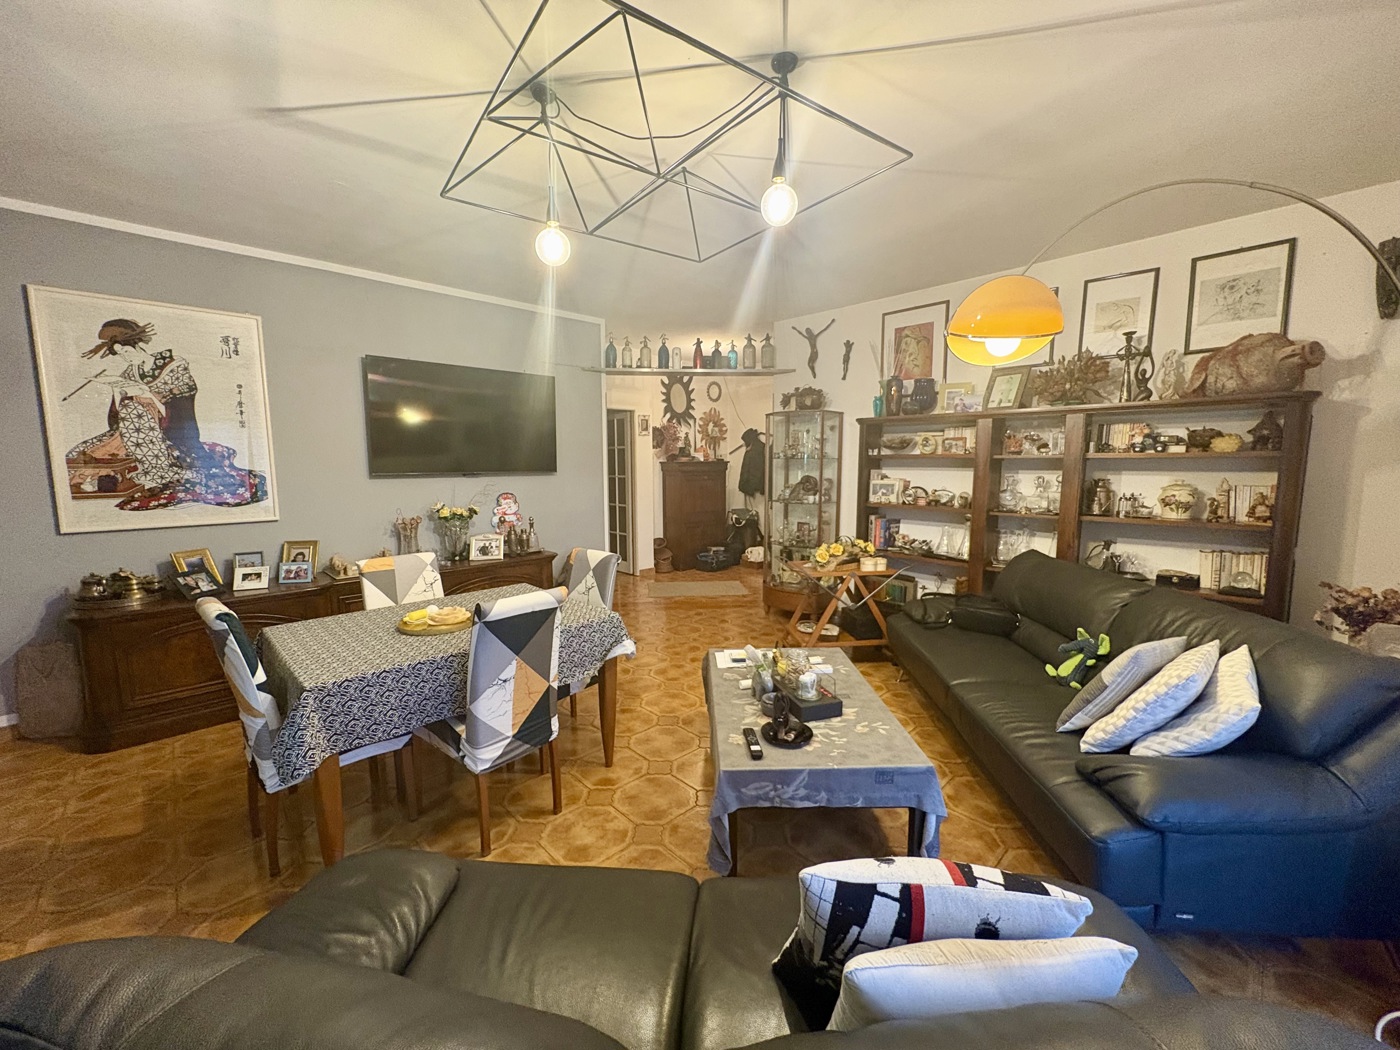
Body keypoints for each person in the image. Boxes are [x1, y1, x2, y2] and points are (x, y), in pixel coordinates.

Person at [65, 318, 268, 511]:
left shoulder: (174, 365)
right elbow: (118, 412)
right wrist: (118, 392)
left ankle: (159, 469)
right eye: (121, 355)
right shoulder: (129, 373)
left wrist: (149, 396)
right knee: (85, 452)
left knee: (135, 414)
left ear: (138, 345)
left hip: (168, 428)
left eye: (127, 351)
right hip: (132, 429)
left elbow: (184, 399)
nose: (126, 358)